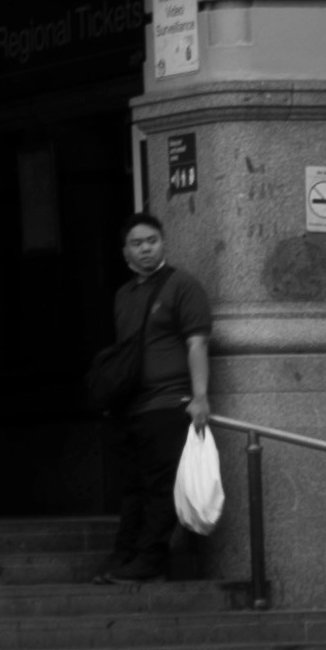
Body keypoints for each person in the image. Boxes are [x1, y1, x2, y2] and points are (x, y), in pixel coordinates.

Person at [89, 212, 217, 586]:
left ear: (163, 243)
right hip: (132, 407)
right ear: (125, 251)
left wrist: (200, 397)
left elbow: (197, 343)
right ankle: (122, 557)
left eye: (152, 241)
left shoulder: (182, 285)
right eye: (137, 243)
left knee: (161, 488)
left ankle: (150, 561)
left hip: (169, 403)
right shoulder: (124, 294)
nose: (146, 249)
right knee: (133, 488)